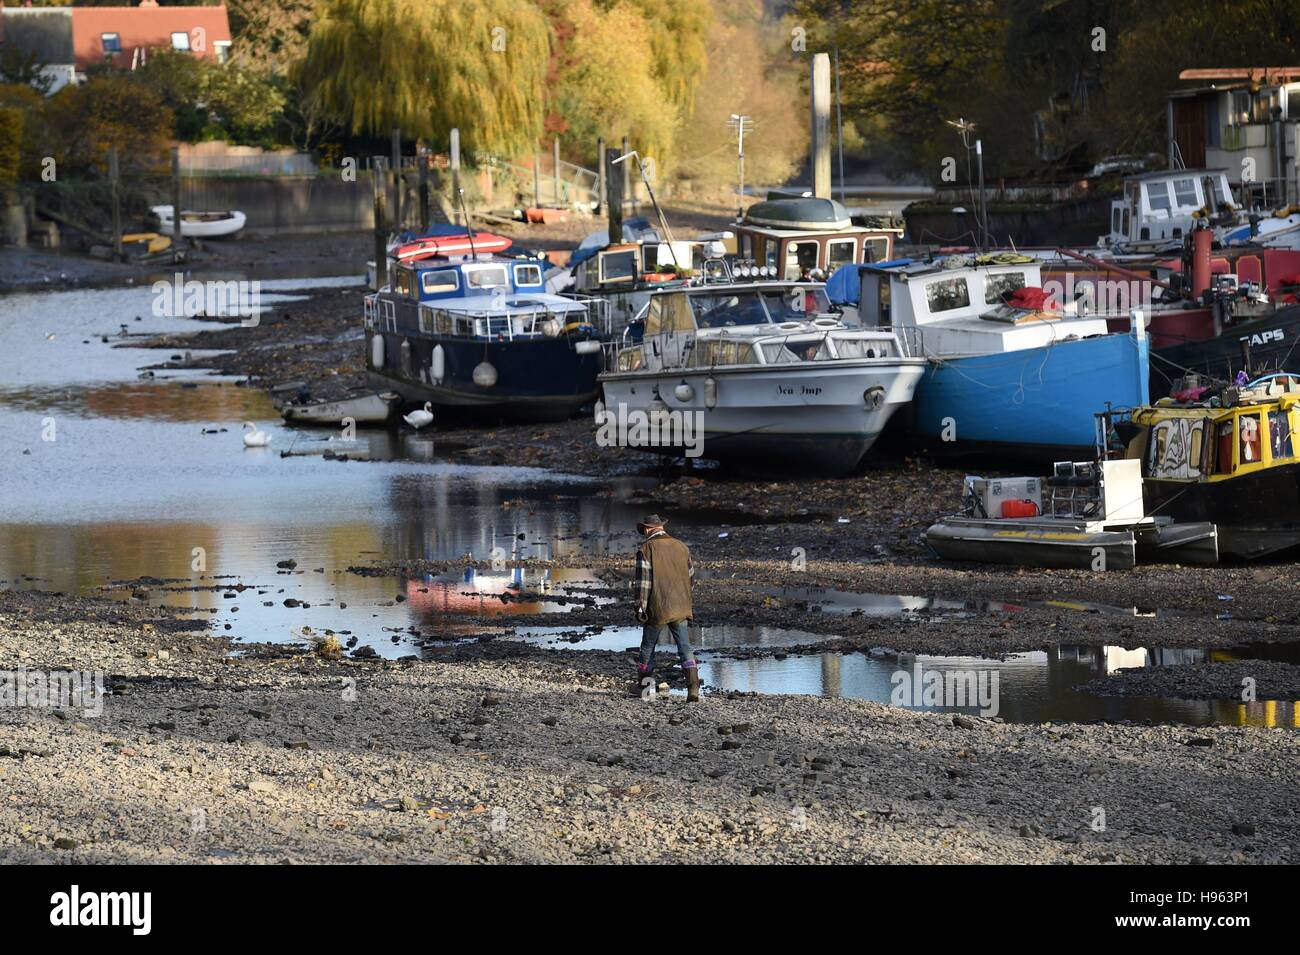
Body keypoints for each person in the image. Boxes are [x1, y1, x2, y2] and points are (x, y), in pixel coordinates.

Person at [632, 514, 699, 702]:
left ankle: (646, 690)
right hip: (681, 607)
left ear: (647, 529)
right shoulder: (682, 546)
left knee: (647, 647)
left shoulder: (646, 549)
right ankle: (693, 688)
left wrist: (640, 609)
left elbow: (642, 584)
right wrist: (684, 600)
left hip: (658, 607)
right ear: (661, 527)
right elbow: (691, 579)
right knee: (685, 647)